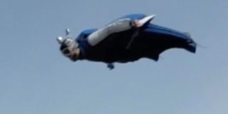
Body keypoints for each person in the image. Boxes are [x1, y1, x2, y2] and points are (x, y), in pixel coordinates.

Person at [58, 14, 196, 69]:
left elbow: (108, 30)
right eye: (66, 54)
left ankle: (182, 39)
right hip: (123, 56)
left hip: (124, 48)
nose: (68, 55)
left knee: (148, 40)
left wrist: (130, 24)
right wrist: (110, 62)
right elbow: (101, 53)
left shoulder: (90, 41)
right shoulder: (86, 54)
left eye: (67, 51)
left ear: (73, 46)